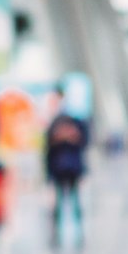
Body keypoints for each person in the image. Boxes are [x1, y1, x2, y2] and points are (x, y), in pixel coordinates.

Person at [43, 103, 91, 246]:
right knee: (59, 204)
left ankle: (78, 234)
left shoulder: (75, 125)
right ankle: (56, 234)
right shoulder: (55, 126)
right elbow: (48, 150)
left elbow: (83, 143)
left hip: (71, 170)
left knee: (74, 202)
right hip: (60, 170)